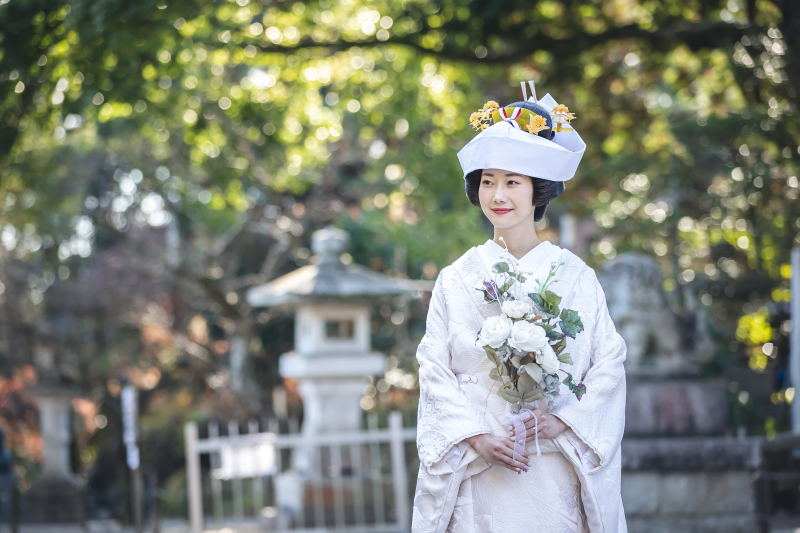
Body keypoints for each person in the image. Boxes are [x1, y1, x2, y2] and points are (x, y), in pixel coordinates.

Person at [412, 82, 627, 533]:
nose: (498, 195)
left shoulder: (575, 276)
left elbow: (608, 363)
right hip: (479, 464)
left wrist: (560, 421)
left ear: (538, 192)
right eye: (488, 182)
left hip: (551, 466)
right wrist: (475, 437)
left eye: (512, 182)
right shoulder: (456, 277)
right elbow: (434, 367)